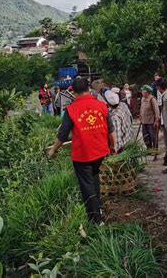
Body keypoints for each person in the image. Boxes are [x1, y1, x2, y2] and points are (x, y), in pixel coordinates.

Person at [48, 78, 116, 224]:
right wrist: (113, 145)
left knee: (86, 186)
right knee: (94, 178)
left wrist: (53, 149)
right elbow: (111, 129)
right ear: (88, 89)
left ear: (73, 91)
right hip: (100, 152)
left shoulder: (71, 110)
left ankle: (95, 221)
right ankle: (98, 208)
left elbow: (63, 134)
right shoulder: (101, 105)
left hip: (83, 155)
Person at [140, 85, 160, 150]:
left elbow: (157, 111)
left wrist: (156, 120)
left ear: (147, 92)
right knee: (145, 136)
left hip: (151, 121)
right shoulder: (143, 99)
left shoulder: (152, 99)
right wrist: (140, 116)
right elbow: (141, 108)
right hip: (144, 121)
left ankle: (155, 149)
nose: (141, 92)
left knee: (153, 136)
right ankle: (149, 149)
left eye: (143, 91)